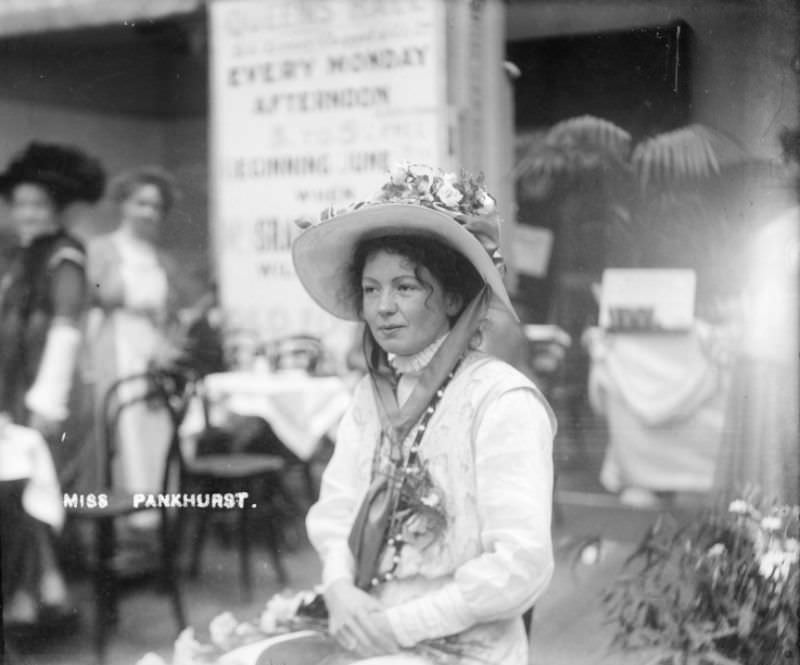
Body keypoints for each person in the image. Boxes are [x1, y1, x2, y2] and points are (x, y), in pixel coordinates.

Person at [286, 163, 556, 664]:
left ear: (453, 297)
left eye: (405, 287)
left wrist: (399, 626)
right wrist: (339, 590)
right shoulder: (371, 394)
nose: (383, 307)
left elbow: (521, 563)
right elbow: (338, 508)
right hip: (363, 618)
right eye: (371, 289)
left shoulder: (501, 400)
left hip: (461, 641)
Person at [0, 141, 105, 623]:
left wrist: (46, 403)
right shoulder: (23, 255)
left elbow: (65, 330)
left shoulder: (64, 257)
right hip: (19, 388)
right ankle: (47, 586)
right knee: (22, 486)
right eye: (20, 204)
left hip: (53, 395)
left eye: (38, 205)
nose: (28, 213)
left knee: (30, 485)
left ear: (57, 209)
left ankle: (30, 596)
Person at [86, 166, 181, 514]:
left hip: (152, 348)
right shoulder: (102, 249)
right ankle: (127, 519)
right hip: (116, 346)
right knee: (121, 428)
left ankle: (155, 517)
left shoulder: (160, 257)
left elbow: (172, 312)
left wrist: (166, 345)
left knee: (154, 428)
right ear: (123, 204)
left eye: (156, 207)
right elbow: (94, 297)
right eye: (141, 203)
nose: (148, 212)